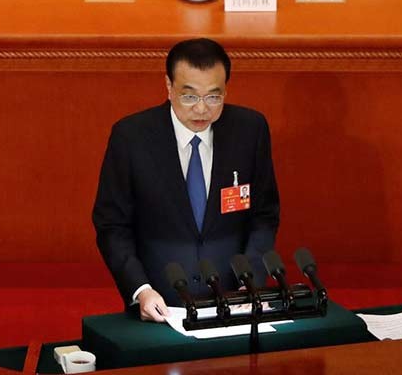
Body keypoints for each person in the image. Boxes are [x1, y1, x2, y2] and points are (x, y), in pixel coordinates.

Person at [93, 38, 280, 321]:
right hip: (160, 306)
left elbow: (264, 215)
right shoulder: (131, 137)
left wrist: (249, 280)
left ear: (226, 89)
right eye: (189, 96)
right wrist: (140, 289)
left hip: (234, 302)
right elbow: (112, 225)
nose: (202, 109)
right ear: (169, 87)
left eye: (214, 96)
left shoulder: (249, 130)